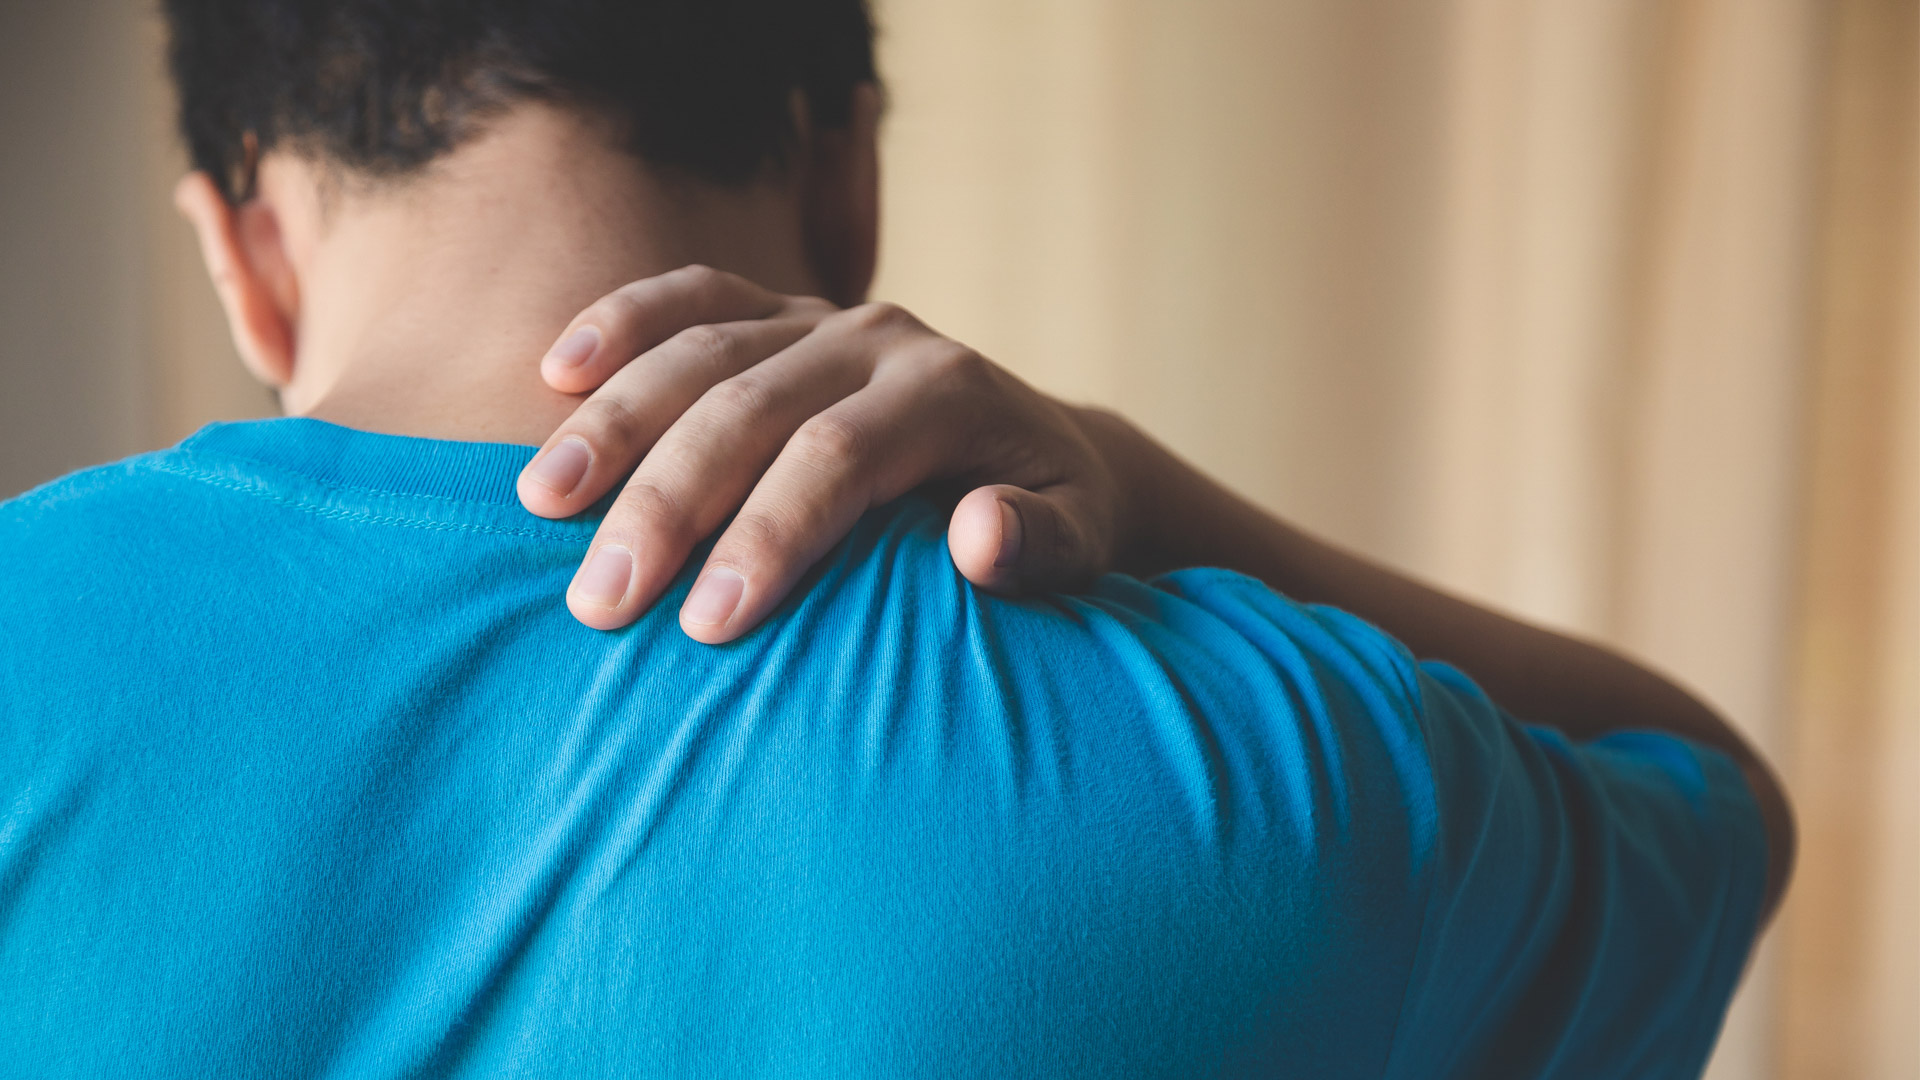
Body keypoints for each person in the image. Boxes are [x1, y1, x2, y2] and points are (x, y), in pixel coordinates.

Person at [0, 0, 1790, 1076]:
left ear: (239, 251)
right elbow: (1710, 799)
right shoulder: (1265, 762)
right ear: (852, 172)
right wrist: (1124, 475)